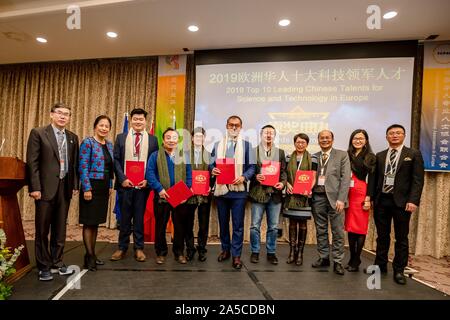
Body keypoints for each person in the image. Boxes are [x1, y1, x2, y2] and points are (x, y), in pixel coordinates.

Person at [26, 102, 79, 281]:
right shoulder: (39, 133)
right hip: (44, 190)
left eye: (67, 114)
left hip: (64, 189)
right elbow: (32, 163)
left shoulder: (72, 137)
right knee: (42, 229)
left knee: (60, 228)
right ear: (51, 115)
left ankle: (57, 261)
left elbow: (74, 164)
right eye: (59, 113)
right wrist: (34, 188)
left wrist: (75, 185)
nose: (63, 116)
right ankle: (43, 266)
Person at [373, 124, 424, 285]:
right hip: (382, 200)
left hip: (402, 203)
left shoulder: (413, 154)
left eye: (398, 133)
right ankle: (380, 265)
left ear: (404, 135)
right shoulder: (380, 155)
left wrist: (413, 200)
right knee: (382, 236)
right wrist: (372, 199)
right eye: (391, 133)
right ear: (386, 136)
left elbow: (418, 180)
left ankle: (399, 269)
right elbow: (375, 180)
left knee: (401, 237)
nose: (394, 136)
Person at [110, 108, 158, 262]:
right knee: (124, 218)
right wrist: (122, 178)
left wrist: (148, 180)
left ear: (145, 121)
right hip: (125, 185)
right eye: (135, 119)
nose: (138, 121)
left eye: (141, 119)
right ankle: (122, 247)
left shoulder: (153, 140)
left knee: (139, 218)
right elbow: (116, 160)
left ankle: (139, 248)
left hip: (143, 186)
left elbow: (154, 163)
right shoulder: (121, 137)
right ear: (131, 120)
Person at [211, 115, 255, 269]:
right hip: (221, 191)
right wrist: (213, 169)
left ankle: (236, 255)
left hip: (239, 192)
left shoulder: (248, 146)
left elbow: (252, 167)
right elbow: (211, 164)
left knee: (237, 225)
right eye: (231, 125)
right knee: (223, 223)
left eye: (237, 125)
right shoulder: (217, 145)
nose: (234, 128)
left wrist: (244, 177)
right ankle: (225, 250)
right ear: (227, 126)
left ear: (241, 127)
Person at [146, 128, 192, 264]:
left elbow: (189, 175)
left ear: (178, 141)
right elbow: (150, 173)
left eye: (174, 138)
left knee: (179, 226)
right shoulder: (155, 155)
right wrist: (159, 189)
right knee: (160, 226)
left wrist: (186, 192)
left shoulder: (184, 156)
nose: (171, 140)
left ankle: (179, 253)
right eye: (168, 137)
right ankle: (161, 253)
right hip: (162, 196)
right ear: (163, 140)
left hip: (180, 197)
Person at [311, 130, 351, 275]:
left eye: (327, 138)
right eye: (322, 138)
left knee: (338, 231)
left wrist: (341, 199)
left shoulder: (342, 155)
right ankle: (323, 258)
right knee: (320, 230)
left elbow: (346, 178)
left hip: (335, 200)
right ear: (318, 140)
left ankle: (338, 261)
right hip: (317, 198)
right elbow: (309, 176)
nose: (325, 140)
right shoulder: (313, 156)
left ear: (332, 140)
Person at [79, 115, 114, 271]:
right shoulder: (88, 143)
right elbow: (83, 166)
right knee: (88, 222)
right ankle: (90, 256)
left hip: (104, 185)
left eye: (107, 126)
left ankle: (91, 254)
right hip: (91, 185)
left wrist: (110, 185)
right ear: (95, 126)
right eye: (101, 125)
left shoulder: (110, 145)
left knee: (96, 222)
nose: (104, 128)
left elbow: (111, 168)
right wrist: (86, 187)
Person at [248, 125, 286, 265]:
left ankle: (271, 253)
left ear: (274, 136)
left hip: (274, 194)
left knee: (273, 227)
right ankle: (255, 252)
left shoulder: (280, 152)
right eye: (266, 133)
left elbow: (283, 172)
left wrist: (282, 183)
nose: (268, 135)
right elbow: (248, 170)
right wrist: (255, 177)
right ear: (261, 135)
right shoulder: (253, 151)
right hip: (258, 193)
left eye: (271, 133)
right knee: (254, 226)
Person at [344, 129, 376, 272]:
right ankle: (352, 257)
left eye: (361, 138)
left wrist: (368, 198)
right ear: (351, 140)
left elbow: (373, 179)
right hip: (348, 194)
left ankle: (356, 259)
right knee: (350, 228)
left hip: (362, 194)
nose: (358, 140)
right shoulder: (347, 155)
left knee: (360, 229)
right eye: (355, 138)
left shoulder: (370, 156)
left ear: (366, 141)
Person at [284, 133, 315, 266]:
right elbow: (284, 173)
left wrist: (308, 187)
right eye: (298, 142)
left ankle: (300, 253)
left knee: (302, 224)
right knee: (292, 223)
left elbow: (313, 176)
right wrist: (287, 184)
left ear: (307, 144)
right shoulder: (288, 157)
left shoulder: (312, 158)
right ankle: (292, 252)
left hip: (304, 196)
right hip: (291, 195)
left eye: (303, 142)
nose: (300, 144)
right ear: (294, 143)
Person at [185, 127, 212, 262]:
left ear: (204, 139)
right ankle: (190, 249)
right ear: (191, 138)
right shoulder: (184, 154)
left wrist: (210, 187)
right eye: (196, 136)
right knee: (188, 224)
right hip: (188, 195)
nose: (198, 139)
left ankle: (202, 249)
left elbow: (213, 172)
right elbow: (181, 174)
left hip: (204, 195)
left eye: (201, 136)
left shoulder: (209, 154)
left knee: (203, 224)